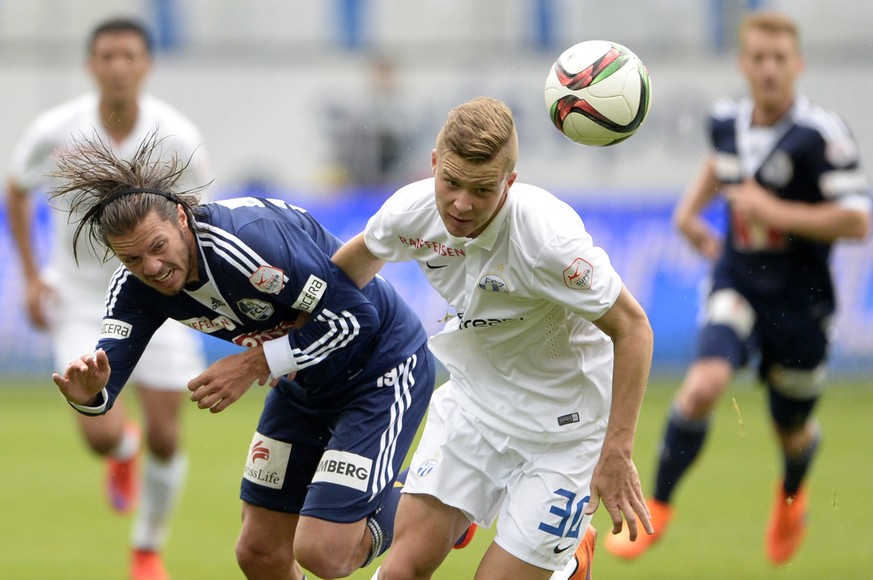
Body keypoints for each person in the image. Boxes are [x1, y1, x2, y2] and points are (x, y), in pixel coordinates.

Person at [49, 130, 440, 580]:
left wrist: (255, 362)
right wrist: (90, 394)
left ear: (180, 218)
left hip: (380, 368)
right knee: (259, 553)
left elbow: (355, 319)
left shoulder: (250, 243)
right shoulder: (136, 288)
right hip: (303, 382)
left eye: (157, 247)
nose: (152, 268)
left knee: (326, 554)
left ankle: (436, 494)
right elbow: (106, 380)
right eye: (133, 259)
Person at [332, 96, 655, 580]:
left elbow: (633, 328)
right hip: (473, 407)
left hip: (564, 434)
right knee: (402, 570)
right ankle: (471, 512)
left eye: (482, 190)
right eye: (452, 182)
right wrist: (280, 349)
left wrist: (618, 451)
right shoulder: (412, 210)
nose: (461, 204)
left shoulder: (547, 239)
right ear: (435, 164)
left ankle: (569, 560)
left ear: (510, 182)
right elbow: (346, 274)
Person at [604, 10, 871, 566]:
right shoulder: (726, 121)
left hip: (803, 304)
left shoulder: (822, 136)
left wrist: (777, 210)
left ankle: (792, 497)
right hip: (739, 280)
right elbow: (722, 166)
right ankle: (654, 507)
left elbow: (857, 220)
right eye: (759, 58)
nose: (769, 69)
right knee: (703, 385)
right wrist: (686, 213)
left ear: (796, 65)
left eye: (779, 59)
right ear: (743, 64)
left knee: (791, 431)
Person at [5, 18, 210, 580]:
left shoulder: (177, 135)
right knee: (98, 431)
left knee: (168, 437)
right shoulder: (56, 129)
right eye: (107, 56)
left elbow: (200, 218)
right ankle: (122, 453)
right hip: (79, 298)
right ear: (92, 65)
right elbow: (16, 188)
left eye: (129, 55)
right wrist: (29, 275)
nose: (118, 65)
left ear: (147, 64)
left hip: (160, 293)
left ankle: (147, 549)